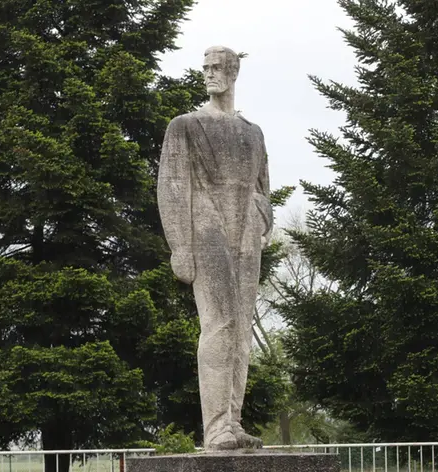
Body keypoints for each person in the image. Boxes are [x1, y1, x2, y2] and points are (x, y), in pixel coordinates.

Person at [157, 45, 273, 451]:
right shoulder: (185, 125)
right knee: (220, 321)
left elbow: (263, 185)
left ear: (233, 72)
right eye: (204, 67)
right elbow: (171, 187)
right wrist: (180, 246)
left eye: (217, 67)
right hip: (206, 228)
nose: (209, 74)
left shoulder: (252, 132)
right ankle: (216, 427)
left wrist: (262, 218)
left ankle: (233, 422)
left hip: (245, 232)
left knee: (240, 328)